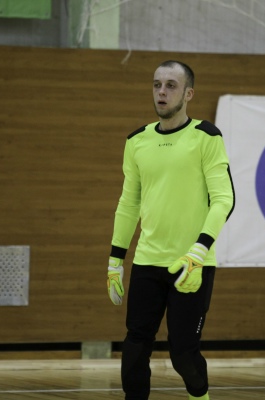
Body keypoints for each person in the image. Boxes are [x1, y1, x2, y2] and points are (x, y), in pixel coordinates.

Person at [107, 60, 235, 400]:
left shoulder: (206, 137)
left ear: (188, 94)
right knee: (135, 346)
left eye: (171, 85)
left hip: (191, 265)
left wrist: (199, 251)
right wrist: (115, 260)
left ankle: (200, 397)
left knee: (183, 354)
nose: (161, 92)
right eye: (157, 85)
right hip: (147, 261)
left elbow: (224, 199)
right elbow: (128, 204)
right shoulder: (137, 141)